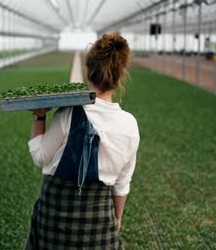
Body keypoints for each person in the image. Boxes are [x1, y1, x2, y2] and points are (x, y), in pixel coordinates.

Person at [24, 33, 140, 249]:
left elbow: (40, 157)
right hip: (99, 226)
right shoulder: (129, 126)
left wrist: (39, 116)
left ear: (88, 71)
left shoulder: (68, 113)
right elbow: (122, 185)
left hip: (53, 223)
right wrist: (117, 219)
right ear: (120, 77)